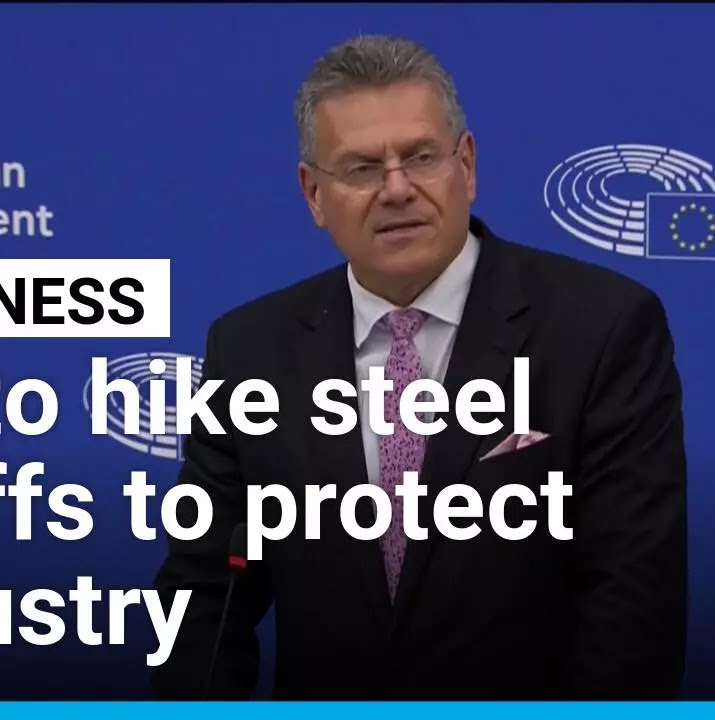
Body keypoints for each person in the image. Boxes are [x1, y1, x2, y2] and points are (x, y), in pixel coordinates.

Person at [151, 34, 687, 700]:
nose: (397, 188)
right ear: (313, 194)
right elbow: (201, 599)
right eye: (361, 168)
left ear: (467, 166)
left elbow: (632, 610)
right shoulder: (250, 351)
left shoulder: (600, 330)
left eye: (421, 157)